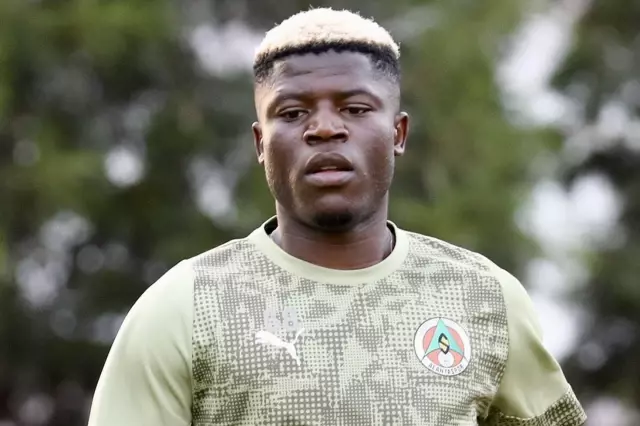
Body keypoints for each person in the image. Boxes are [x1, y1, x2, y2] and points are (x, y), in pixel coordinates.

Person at [88, 7, 587, 426]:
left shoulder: (484, 297)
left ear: (398, 133)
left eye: (354, 108)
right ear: (261, 144)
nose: (325, 129)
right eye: (292, 113)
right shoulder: (183, 307)